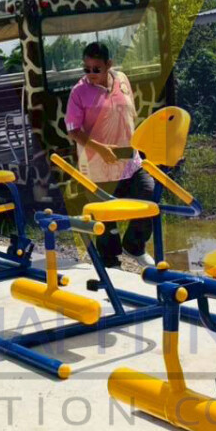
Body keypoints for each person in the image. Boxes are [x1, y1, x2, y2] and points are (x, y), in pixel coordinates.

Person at [64, 41, 155, 268]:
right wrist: (100, 149)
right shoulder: (79, 92)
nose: (91, 74)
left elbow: (130, 112)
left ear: (109, 64)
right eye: (86, 69)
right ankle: (111, 264)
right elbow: (73, 130)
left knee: (149, 194)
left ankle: (134, 246)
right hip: (98, 165)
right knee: (106, 220)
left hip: (130, 160)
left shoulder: (122, 79)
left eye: (96, 69)